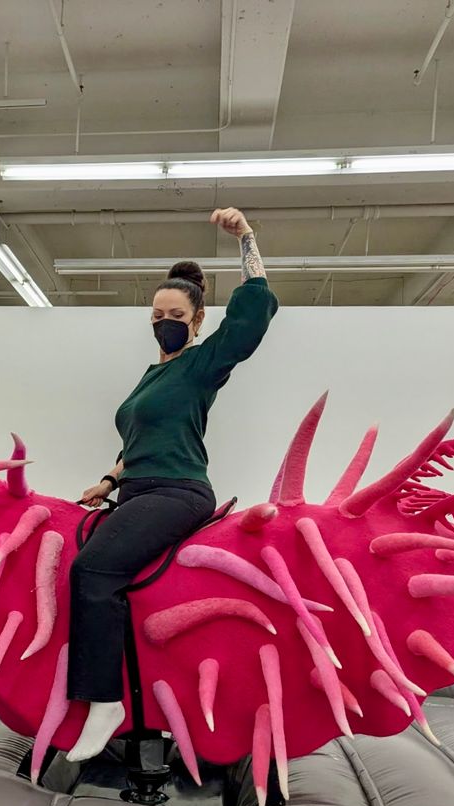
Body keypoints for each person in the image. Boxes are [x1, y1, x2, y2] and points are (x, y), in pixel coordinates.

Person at [65, 207, 280, 762]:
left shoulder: (202, 363)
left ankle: (103, 702)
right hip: (136, 488)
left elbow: (253, 316)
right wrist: (111, 476)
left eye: (176, 312)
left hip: (177, 491)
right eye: (157, 312)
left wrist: (247, 240)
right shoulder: (150, 377)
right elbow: (139, 436)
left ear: (197, 319)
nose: (164, 319)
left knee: (91, 571)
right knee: (86, 562)